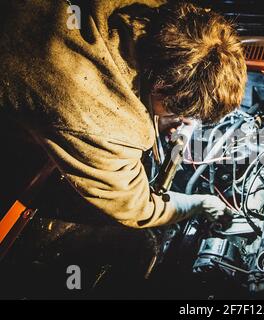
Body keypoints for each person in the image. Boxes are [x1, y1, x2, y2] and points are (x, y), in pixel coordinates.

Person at [0, 1, 247, 229]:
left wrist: (159, 115)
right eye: (180, 112)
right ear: (161, 87)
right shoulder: (105, 126)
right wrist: (200, 204)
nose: (181, 121)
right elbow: (140, 209)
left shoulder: (154, 11)